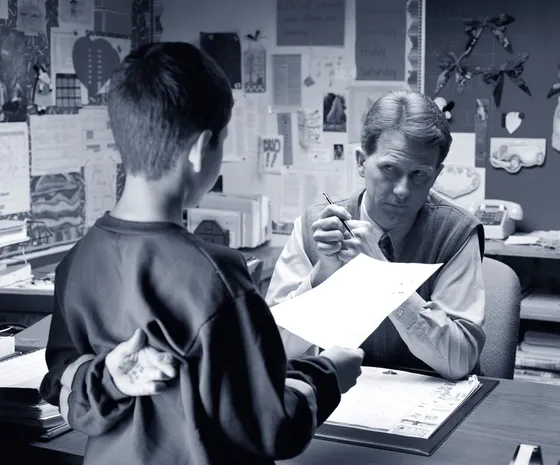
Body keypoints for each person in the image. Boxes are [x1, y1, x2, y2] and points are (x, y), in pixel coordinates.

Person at [40, 42, 364, 465]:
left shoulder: (77, 261)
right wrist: (329, 375)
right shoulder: (218, 277)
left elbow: (65, 384)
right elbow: (272, 427)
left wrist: (111, 380)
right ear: (200, 148)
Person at [266, 90, 486, 381]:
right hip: (342, 401)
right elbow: (271, 350)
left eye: (419, 174)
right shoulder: (314, 228)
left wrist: (382, 277)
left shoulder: (456, 233)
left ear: (436, 174)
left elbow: (460, 362)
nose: (402, 190)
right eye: (389, 169)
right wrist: (323, 275)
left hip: (435, 407)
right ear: (361, 162)